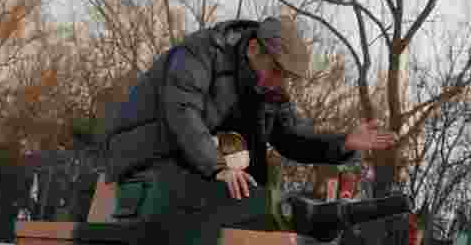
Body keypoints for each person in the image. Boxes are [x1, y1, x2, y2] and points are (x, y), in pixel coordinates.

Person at [104, 15, 396, 221]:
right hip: (147, 156)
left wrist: (344, 142)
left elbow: (292, 137)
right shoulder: (199, 53)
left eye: (286, 77)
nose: (280, 82)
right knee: (196, 205)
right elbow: (182, 114)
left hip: (201, 164)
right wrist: (218, 168)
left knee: (252, 207)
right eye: (276, 71)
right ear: (254, 49)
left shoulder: (269, 89)